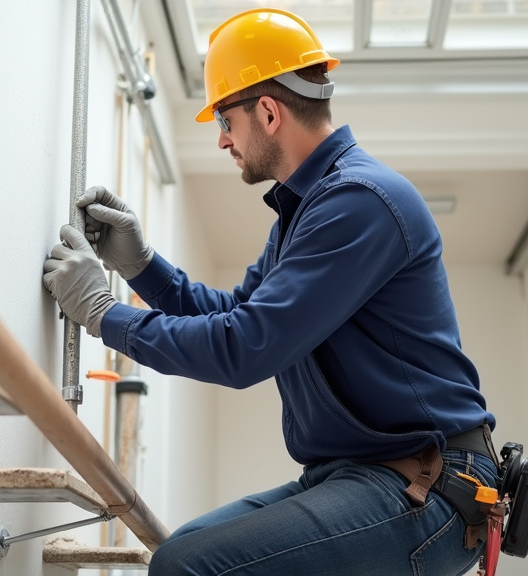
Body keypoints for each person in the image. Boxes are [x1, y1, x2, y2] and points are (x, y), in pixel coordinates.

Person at [43, 7, 499, 575]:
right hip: (365, 474)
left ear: (267, 110)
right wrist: (142, 267)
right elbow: (238, 314)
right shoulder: (305, 212)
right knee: (177, 553)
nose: (221, 140)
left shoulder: (359, 201)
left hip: (430, 486)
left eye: (226, 121)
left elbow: (244, 347)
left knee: (187, 566)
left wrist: (104, 314)